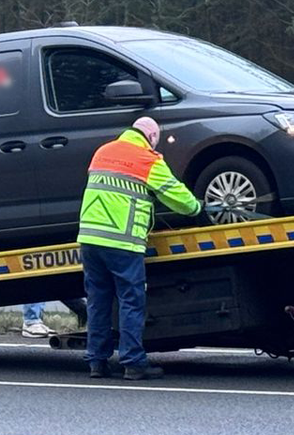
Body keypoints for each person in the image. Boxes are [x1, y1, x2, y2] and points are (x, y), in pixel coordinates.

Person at [76, 116, 201, 380]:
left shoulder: (103, 151)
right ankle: (133, 362)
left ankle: (97, 362)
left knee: (98, 301)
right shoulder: (147, 158)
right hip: (122, 241)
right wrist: (197, 208)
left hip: (89, 239)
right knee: (131, 301)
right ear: (152, 137)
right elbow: (174, 194)